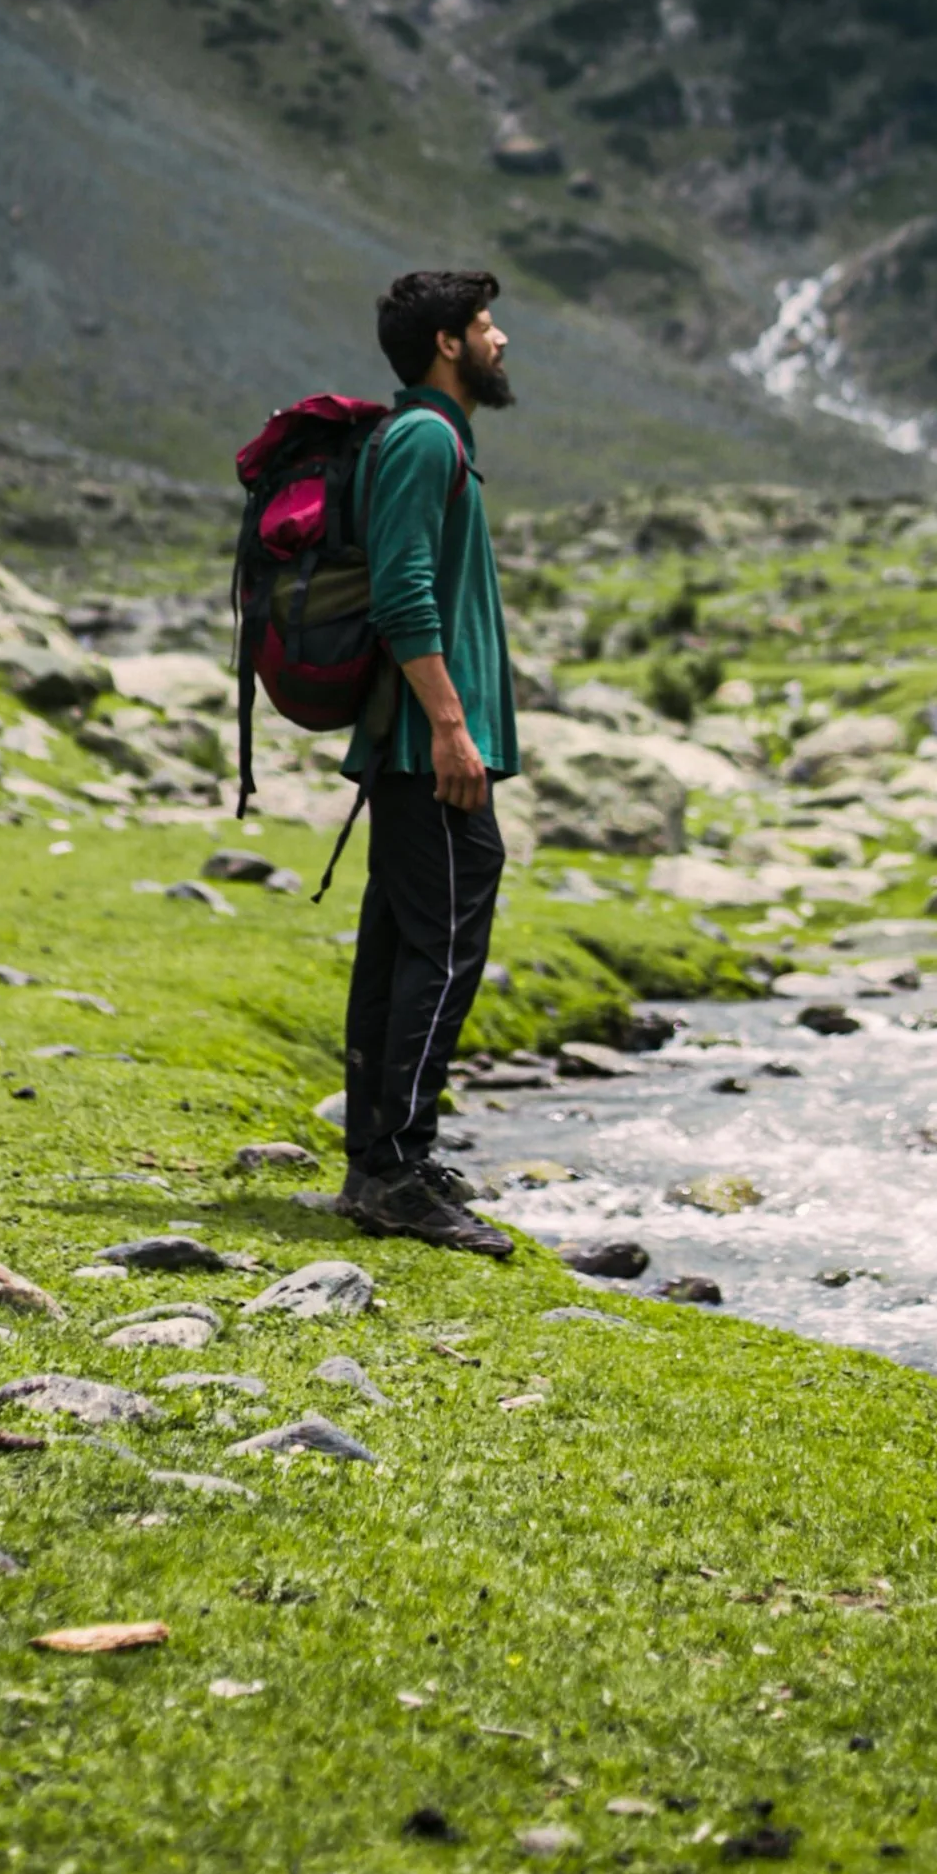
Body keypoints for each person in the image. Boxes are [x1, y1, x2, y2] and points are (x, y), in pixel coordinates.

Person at [337, 265, 520, 1256]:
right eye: (487, 326)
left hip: (422, 743)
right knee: (443, 948)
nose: (501, 342)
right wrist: (452, 728)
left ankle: (380, 1161)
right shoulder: (421, 439)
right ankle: (397, 1171)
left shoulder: (431, 440)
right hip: (427, 746)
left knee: (405, 947)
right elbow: (402, 591)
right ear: (447, 343)